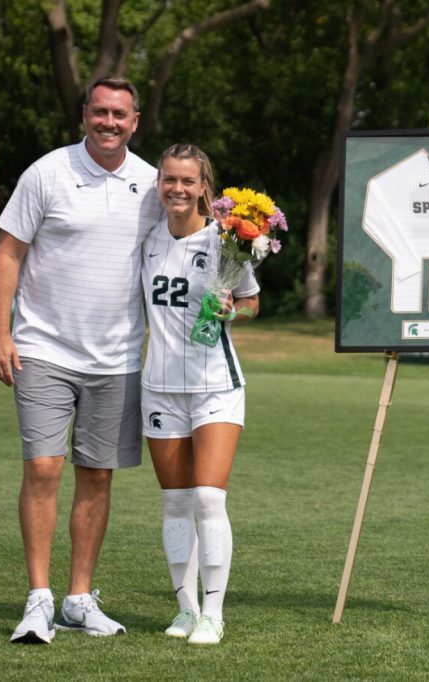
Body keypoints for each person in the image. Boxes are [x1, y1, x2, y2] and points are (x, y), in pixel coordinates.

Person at [0, 76, 161, 644]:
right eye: (100, 111)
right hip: (42, 347)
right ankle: (38, 598)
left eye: (120, 114)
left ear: (136, 122)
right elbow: (9, 251)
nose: (109, 122)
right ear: (84, 114)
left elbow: (182, 250)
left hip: (117, 357)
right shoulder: (47, 172)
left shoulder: (153, 184)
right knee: (43, 468)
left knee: (98, 475)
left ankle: (79, 599)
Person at [141, 143, 259, 646]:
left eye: (188, 181)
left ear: (205, 187)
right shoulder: (146, 241)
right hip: (159, 388)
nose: (178, 189)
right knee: (175, 503)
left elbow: (252, 302)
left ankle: (214, 613)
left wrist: (232, 309)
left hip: (216, 385)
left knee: (209, 499)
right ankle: (185, 609)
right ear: (159, 184)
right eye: (170, 179)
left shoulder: (225, 243)